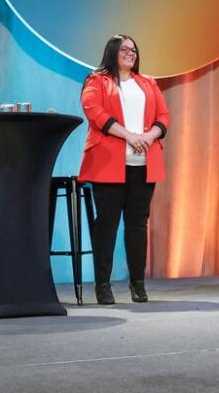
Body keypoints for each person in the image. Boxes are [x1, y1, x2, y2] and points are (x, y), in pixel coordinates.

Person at [79, 34, 170, 305]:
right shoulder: (97, 80)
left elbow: (163, 116)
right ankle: (103, 285)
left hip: (143, 164)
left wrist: (149, 136)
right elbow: (93, 111)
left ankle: (137, 284)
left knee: (137, 225)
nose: (131, 53)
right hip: (109, 165)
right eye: (125, 49)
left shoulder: (148, 83)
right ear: (113, 52)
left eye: (134, 49)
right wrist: (129, 135)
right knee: (106, 224)